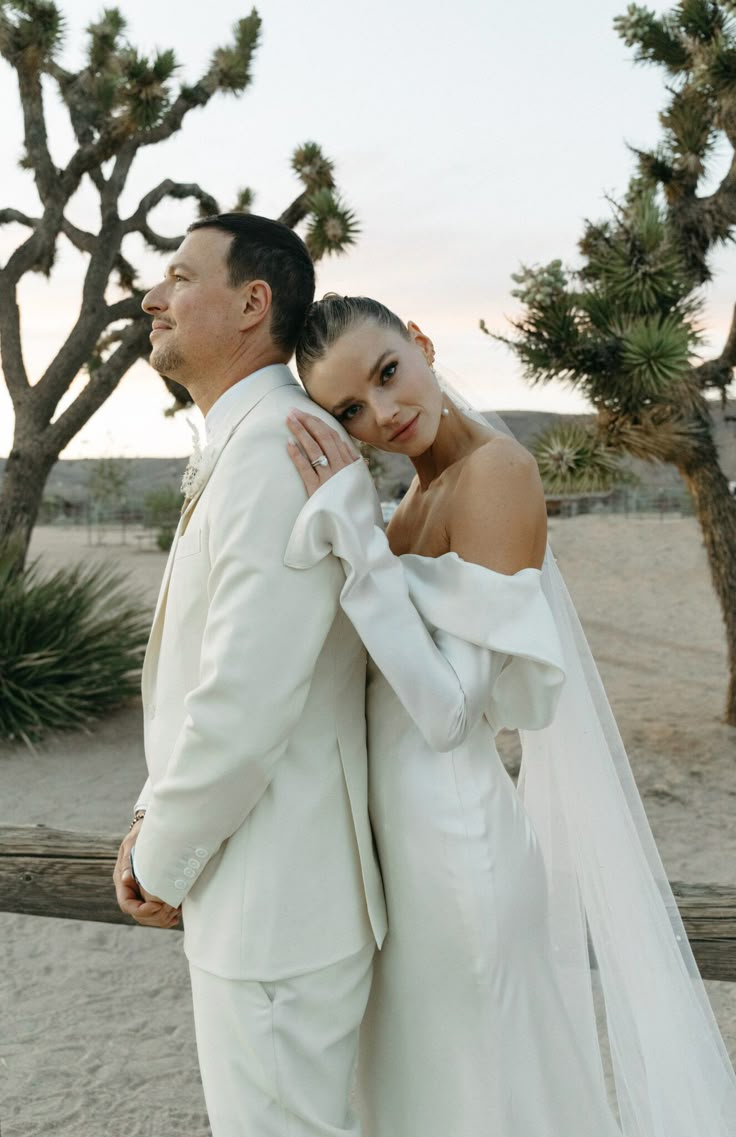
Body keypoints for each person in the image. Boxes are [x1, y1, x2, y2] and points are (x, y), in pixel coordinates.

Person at [284, 294, 736, 1137]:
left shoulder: (497, 473)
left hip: (457, 847)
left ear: (420, 341)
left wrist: (356, 539)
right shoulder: (417, 498)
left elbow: (453, 712)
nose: (383, 413)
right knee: (434, 1090)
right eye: (350, 409)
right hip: (404, 852)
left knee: (480, 1093)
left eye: (388, 373)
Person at [112, 223, 386, 1137]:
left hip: (276, 909)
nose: (154, 296)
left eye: (180, 277)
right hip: (268, 895)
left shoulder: (277, 449)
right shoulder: (260, 437)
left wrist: (158, 858)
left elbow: (243, 702)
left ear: (251, 303)